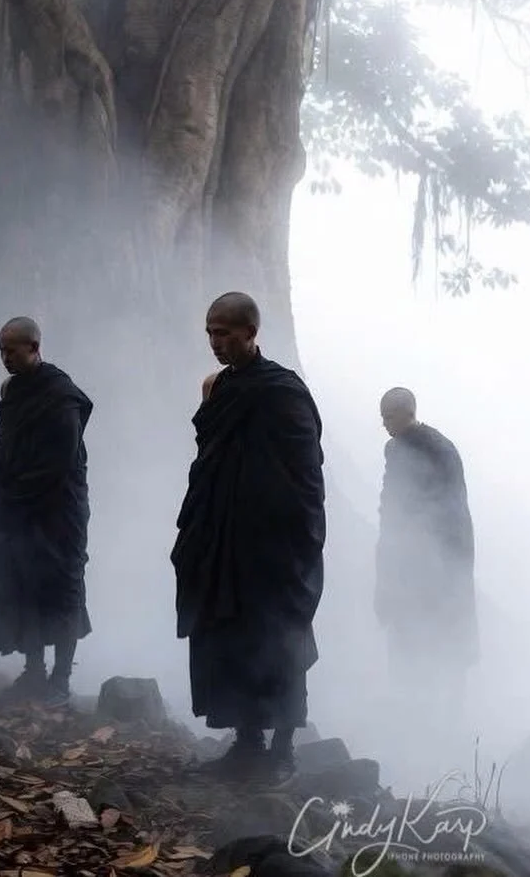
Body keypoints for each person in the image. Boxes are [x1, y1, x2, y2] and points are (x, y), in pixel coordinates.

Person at [172, 292, 325, 783]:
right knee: (228, 636)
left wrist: (295, 537)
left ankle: (282, 750)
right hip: (225, 536)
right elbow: (209, 458)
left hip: (274, 543)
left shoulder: (283, 391)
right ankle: (246, 741)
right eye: (210, 333)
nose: (216, 342)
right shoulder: (217, 389)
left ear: (251, 332)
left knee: (279, 640)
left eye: (225, 333)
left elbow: (306, 472)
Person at [0, 316, 93, 705]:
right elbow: (3, 442)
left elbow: (58, 461)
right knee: (21, 583)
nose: (5, 357)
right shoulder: (13, 393)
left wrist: (16, 495)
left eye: (12, 349)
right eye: (0, 351)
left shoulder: (61, 396)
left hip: (58, 511)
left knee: (61, 588)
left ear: (34, 347)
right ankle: (33, 671)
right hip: (16, 510)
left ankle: (60, 679)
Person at [375, 387, 477, 711]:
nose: (385, 424)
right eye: (382, 418)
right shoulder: (402, 447)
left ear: (409, 412)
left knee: (435, 633)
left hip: (436, 560)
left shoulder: (432, 449)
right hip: (415, 559)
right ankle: (415, 709)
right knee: (414, 633)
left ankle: (438, 712)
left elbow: (446, 509)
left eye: (390, 417)